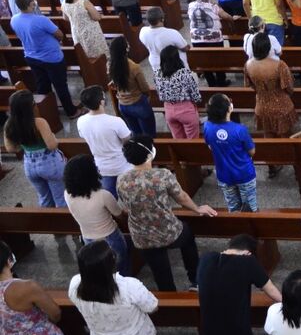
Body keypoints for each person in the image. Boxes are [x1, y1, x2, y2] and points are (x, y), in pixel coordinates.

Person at [116, 136, 217, 291]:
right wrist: (197, 208)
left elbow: (125, 204)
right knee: (188, 235)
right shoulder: (162, 175)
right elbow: (181, 197)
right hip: (168, 231)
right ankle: (195, 279)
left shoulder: (122, 179)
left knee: (160, 272)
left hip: (141, 237)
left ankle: (169, 294)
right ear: (149, 153)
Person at [10, 0, 81, 117]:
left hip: (31, 56)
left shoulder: (14, 19)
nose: (34, 1)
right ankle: (71, 111)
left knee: (42, 85)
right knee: (60, 85)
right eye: (33, 0)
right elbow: (59, 34)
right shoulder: (40, 20)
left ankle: (47, 111)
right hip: (51, 58)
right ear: (30, 4)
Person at [64, 153, 129, 273]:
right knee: (121, 270)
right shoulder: (103, 195)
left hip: (88, 238)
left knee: (102, 273)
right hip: (110, 238)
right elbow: (119, 215)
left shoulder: (67, 194)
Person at [4, 89, 68, 207]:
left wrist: (24, 144)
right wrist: (53, 137)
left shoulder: (9, 125)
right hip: (50, 165)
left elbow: (11, 149)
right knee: (61, 198)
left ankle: (49, 222)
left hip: (29, 165)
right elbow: (52, 145)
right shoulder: (39, 123)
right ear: (30, 107)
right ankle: (64, 223)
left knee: (44, 198)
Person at [203, 94, 258, 212]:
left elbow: (210, 146)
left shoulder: (207, 126)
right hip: (244, 174)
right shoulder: (239, 129)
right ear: (228, 108)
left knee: (233, 208)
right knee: (250, 207)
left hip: (224, 175)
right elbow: (252, 152)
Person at [76, 86, 131, 196]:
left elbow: (83, 136)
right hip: (123, 165)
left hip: (102, 166)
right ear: (101, 102)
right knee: (131, 195)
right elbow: (127, 140)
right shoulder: (115, 121)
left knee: (109, 197)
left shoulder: (81, 121)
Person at [108, 36, 156, 136]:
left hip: (122, 105)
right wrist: (148, 96)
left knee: (136, 134)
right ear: (126, 49)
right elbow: (144, 87)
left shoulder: (109, 64)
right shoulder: (134, 67)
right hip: (138, 102)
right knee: (149, 135)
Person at [154, 44, 202, 139]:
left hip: (169, 110)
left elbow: (159, 91)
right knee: (192, 140)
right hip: (186, 110)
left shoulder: (157, 74)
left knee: (178, 139)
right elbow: (195, 94)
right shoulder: (185, 73)